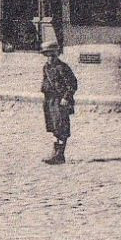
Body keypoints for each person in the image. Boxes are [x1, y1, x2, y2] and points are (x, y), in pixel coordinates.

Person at [40, 35, 79, 164]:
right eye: (48, 54)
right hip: (50, 101)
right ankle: (55, 152)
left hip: (61, 101)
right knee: (54, 126)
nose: (50, 57)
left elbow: (73, 84)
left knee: (62, 126)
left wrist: (66, 98)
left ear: (57, 53)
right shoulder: (46, 67)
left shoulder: (63, 67)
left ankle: (60, 155)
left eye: (53, 54)